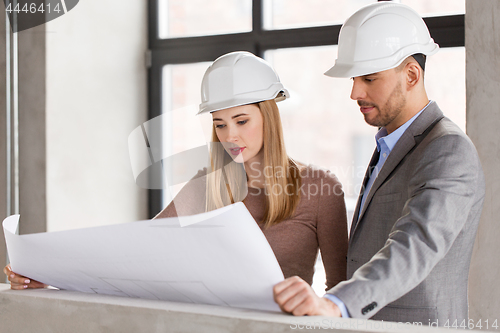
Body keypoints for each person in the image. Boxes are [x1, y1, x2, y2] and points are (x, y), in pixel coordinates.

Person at [5, 51, 349, 295]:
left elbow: (340, 291)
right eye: (219, 123)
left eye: (241, 121)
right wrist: (48, 277)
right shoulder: (207, 183)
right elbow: (133, 254)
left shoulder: (320, 188)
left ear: (269, 117)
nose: (230, 136)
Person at [273, 2, 485, 325]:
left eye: (369, 79)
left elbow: (415, 244)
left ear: (412, 74)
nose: (355, 92)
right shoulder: (389, 144)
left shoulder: (448, 149)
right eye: (355, 79)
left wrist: (337, 304)